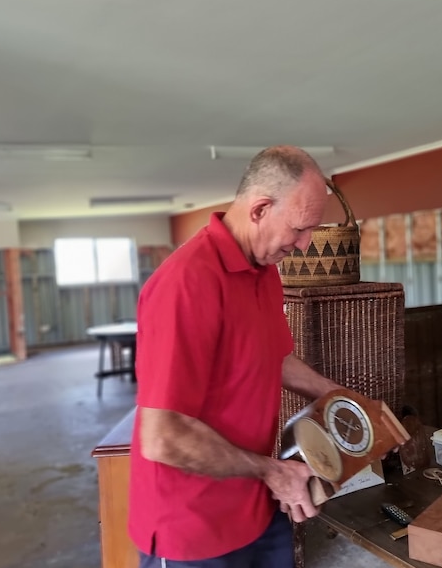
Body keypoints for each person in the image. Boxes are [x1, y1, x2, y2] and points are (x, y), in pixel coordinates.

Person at [129, 145, 344, 567]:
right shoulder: (186, 283)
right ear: (260, 208)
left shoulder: (265, 271)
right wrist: (274, 472)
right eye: (300, 229)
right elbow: (162, 436)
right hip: (192, 527)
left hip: (258, 505)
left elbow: (274, 357)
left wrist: (337, 394)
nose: (303, 246)